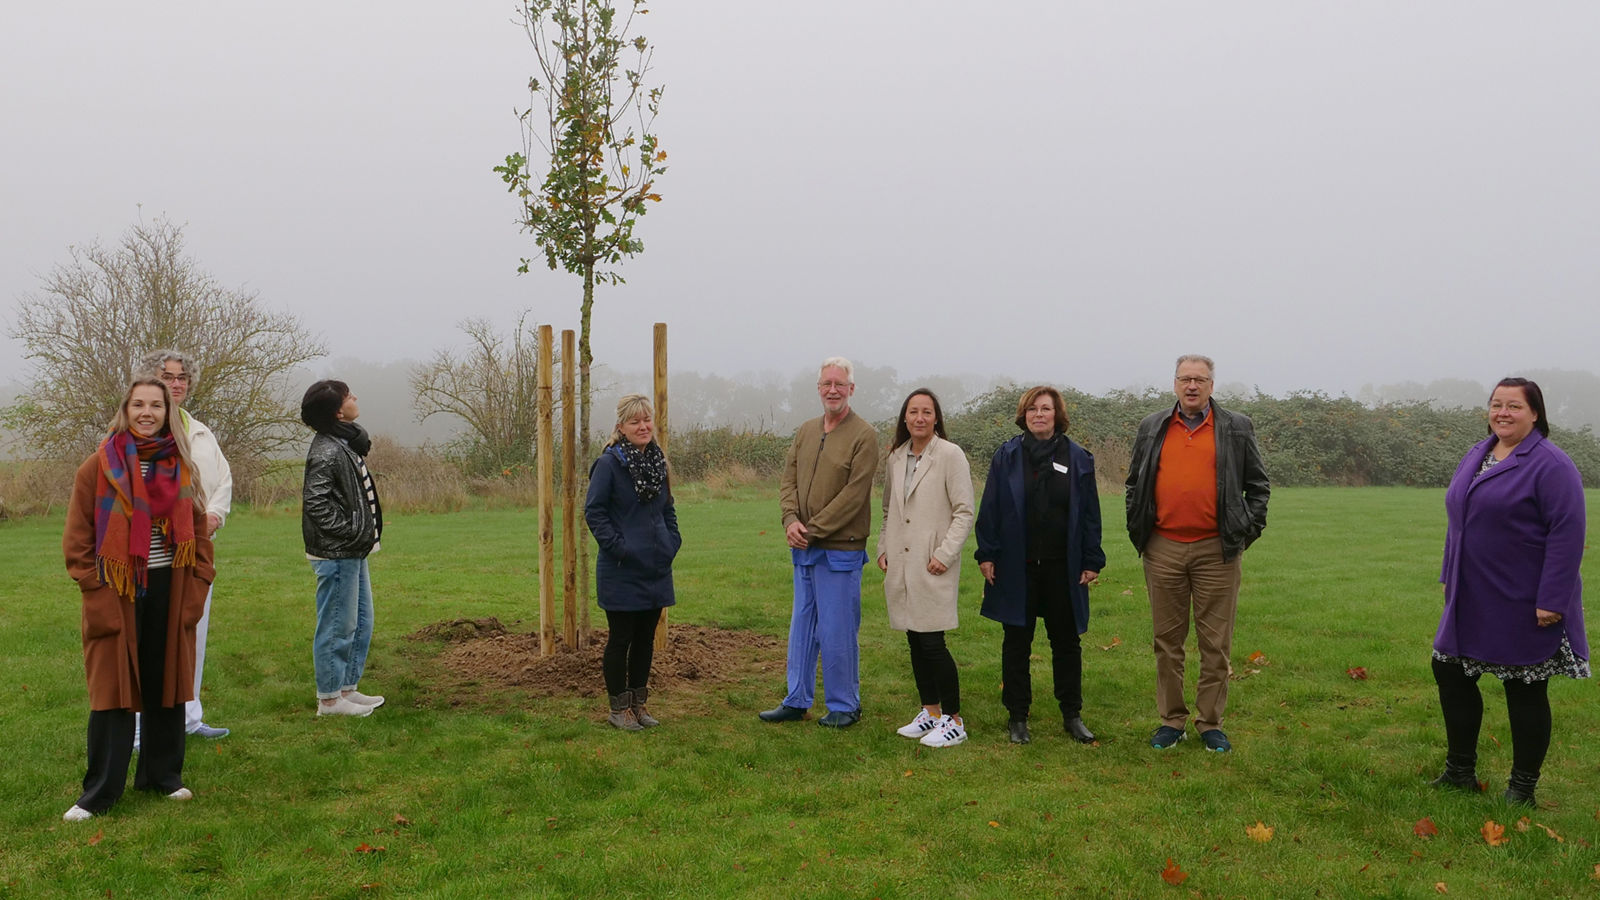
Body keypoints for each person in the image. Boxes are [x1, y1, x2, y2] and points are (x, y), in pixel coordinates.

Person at [1431, 377, 1588, 806]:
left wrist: (1552, 600)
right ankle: (1459, 770)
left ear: (1535, 413)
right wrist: (1450, 575)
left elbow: (1568, 533)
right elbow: (1458, 518)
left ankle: (1522, 788)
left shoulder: (1552, 464)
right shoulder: (1477, 453)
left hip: (1524, 597)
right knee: (1450, 670)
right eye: (1496, 404)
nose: (1503, 412)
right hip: (1471, 593)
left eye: (1514, 406)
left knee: (1524, 686)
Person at [62, 378, 214, 821]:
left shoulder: (182, 465)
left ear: (169, 412)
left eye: (156, 405)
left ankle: (163, 777)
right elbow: (77, 541)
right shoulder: (98, 466)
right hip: (118, 590)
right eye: (138, 405)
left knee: (165, 685)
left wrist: (200, 582)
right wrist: (95, 589)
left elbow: (200, 532)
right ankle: (100, 793)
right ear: (125, 410)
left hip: (172, 586)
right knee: (113, 690)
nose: (147, 412)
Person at [1125, 354, 1269, 753]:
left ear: (1211, 385)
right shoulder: (1153, 426)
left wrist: (1243, 534)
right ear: (1174, 383)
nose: (1192, 386)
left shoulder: (1236, 427)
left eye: (1200, 380)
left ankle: (1210, 723)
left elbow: (1258, 487)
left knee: (1215, 643)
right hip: (1163, 548)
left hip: (1216, 551)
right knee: (1167, 642)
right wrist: (1140, 530)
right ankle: (1171, 721)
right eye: (1185, 378)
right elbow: (1134, 484)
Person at [975, 386, 1105, 745]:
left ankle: (1072, 714)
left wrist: (1093, 558)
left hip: (1064, 566)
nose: (1039, 414)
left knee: (1066, 642)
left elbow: (1090, 513)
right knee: (1016, 641)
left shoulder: (1078, 458)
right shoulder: (1006, 456)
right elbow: (991, 508)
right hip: (1017, 565)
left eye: (1045, 408)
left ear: (1057, 414)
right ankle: (1018, 717)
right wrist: (987, 553)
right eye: (1032, 409)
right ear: (1024, 415)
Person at [760, 356, 880, 728]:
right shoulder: (807, 430)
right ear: (818, 388)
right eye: (827, 383)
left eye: (839, 384)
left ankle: (845, 705)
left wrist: (811, 529)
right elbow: (788, 481)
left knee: (837, 629)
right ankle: (797, 700)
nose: (832, 390)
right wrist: (790, 519)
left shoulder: (865, 435)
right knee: (802, 626)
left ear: (851, 389)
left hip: (840, 550)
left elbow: (854, 495)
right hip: (804, 549)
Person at [133, 349, 233, 740]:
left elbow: (223, 479)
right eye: (168, 376)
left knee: (193, 629)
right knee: (149, 638)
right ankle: (141, 728)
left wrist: (214, 517)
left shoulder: (200, 431)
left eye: (182, 378)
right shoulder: (145, 430)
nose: (176, 384)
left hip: (197, 546)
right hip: (154, 552)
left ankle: (189, 717)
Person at [877, 389, 975, 748]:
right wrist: (883, 549)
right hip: (901, 563)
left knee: (933, 641)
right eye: (913, 412)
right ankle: (930, 712)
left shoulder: (950, 455)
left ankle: (954, 719)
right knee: (914, 638)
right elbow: (889, 510)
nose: (920, 418)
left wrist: (944, 554)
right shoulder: (896, 457)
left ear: (936, 418)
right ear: (905, 417)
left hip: (932, 562)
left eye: (927, 412)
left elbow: (964, 511)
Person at [585, 394, 682, 731]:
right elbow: (594, 512)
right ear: (621, 427)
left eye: (646, 420)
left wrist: (671, 542)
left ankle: (639, 706)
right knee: (621, 638)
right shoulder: (609, 465)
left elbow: (667, 508)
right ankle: (618, 710)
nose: (643, 426)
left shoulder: (658, 461)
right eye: (634, 421)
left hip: (656, 567)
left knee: (645, 639)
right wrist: (620, 549)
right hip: (622, 569)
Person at [300, 380, 386, 718]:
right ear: (338, 410)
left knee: (361, 621)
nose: (355, 398)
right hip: (337, 554)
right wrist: (351, 532)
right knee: (337, 625)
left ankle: (347, 689)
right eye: (348, 395)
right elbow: (316, 503)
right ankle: (330, 700)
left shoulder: (344, 442)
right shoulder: (327, 450)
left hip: (353, 551)